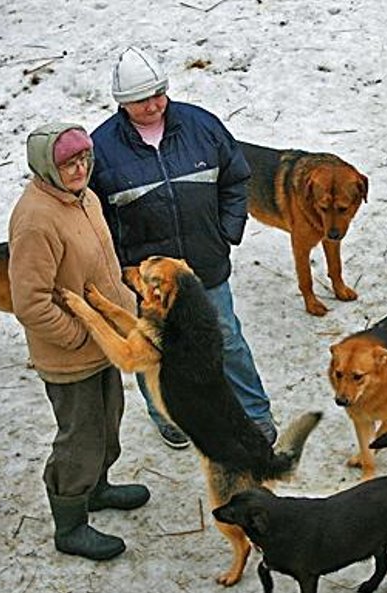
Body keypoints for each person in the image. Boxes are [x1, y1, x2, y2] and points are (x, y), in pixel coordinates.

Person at [89, 46, 277, 448]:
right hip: (146, 282)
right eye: (142, 100)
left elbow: (236, 178)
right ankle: (167, 414)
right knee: (153, 350)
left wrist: (226, 230)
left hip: (203, 266)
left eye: (159, 94)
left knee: (226, 339)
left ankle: (255, 413)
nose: (154, 105)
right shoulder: (101, 149)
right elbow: (94, 218)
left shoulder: (201, 126)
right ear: (122, 103)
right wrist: (122, 269)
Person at [8, 123, 150, 561]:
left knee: (108, 424)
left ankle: (97, 487)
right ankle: (70, 523)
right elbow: (30, 303)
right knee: (80, 438)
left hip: (105, 343)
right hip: (72, 355)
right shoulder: (35, 220)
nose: (80, 168)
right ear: (47, 166)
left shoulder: (84, 199)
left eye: (84, 158)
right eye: (69, 162)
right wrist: (77, 336)